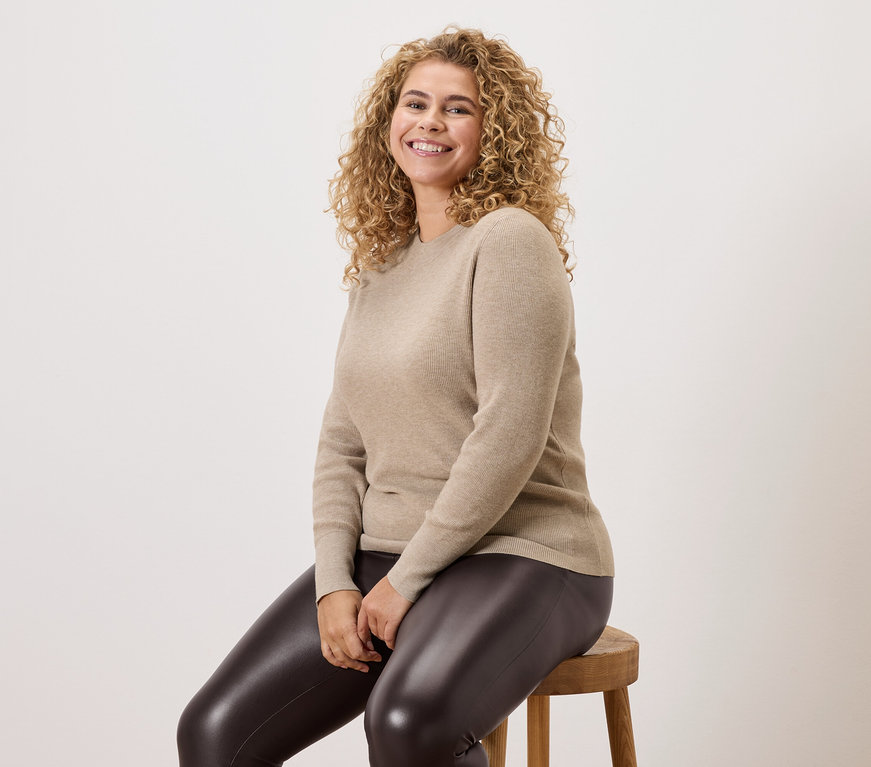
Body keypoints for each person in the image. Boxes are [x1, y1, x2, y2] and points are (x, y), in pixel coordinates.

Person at [177, 27, 614, 767]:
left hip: (528, 555)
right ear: (389, 122)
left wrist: (406, 581)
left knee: (410, 722)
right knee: (215, 733)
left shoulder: (508, 243)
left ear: (495, 130)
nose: (430, 123)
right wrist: (332, 583)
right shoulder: (383, 266)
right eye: (415, 103)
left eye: (458, 108)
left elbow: (508, 437)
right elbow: (342, 445)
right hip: (387, 553)